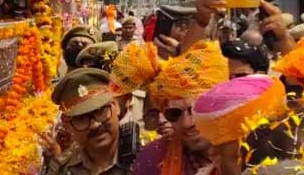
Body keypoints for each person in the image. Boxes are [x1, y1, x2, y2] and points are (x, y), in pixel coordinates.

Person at [132, 40, 229, 175]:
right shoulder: (152, 159)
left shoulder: (248, 152)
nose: (187, 123)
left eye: (196, 110)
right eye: (174, 114)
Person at [41, 68, 141, 175]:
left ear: (116, 106)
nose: (95, 125)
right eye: (82, 118)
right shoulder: (61, 168)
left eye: (99, 111)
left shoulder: (145, 159)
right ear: (68, 125)